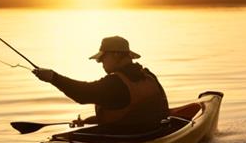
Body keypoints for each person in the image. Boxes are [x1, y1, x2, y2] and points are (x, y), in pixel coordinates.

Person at [33, 36, 169, 134]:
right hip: (153, 133)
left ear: (116, 55)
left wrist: (53, 77)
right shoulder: (148, 75)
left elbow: (82, 94)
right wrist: (89, 121)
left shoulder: (115, 83)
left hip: (125, 141)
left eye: (103, 58)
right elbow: (153, 110)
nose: (100, 63)